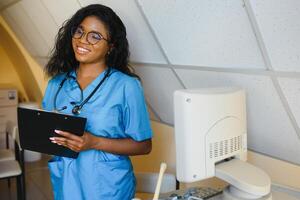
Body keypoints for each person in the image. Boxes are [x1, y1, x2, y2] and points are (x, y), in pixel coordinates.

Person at [42, 4, 152, 200]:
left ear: (111, 46)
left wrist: (94, 142)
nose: (83, 40)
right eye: (79, 31)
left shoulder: (126, 86)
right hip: (66, 185)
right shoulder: (56, 84)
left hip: (108, 187)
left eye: (95, 36)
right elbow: (46, 133)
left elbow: (144, 146)